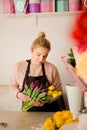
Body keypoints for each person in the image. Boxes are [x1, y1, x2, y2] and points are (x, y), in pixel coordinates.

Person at [9, 32, 65, 112]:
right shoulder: (19, 67)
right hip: (27, 111)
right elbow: (12, 85)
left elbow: (58, 90)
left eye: (45, 56)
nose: (41, 59)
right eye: (38, 55)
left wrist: (47, 100)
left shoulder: (52, 68)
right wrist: (18, 94)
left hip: (49, 111)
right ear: (32, 50)